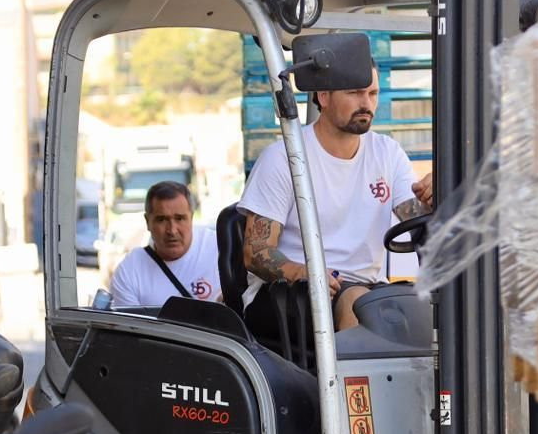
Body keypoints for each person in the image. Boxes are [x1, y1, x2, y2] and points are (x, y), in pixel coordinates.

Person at [238, 67, 433, 333]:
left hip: (368, 289)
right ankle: (344, 376)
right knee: (358, 304)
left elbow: (416, 220)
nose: (366, 104)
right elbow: (256, 252)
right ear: (324, 96)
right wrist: (304, 273)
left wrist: (434, 199)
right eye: (354, 93)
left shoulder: (387, 153)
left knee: (420, 307)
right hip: (288, 294)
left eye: (372, 93)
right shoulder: (284, 157)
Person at [108, 180, 221, 307]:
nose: (172, 230)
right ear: (147, 222)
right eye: (161, 220)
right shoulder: (129, 273)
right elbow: (129, 326)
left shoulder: (220, 248)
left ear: (192, 218)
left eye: (180, 218)